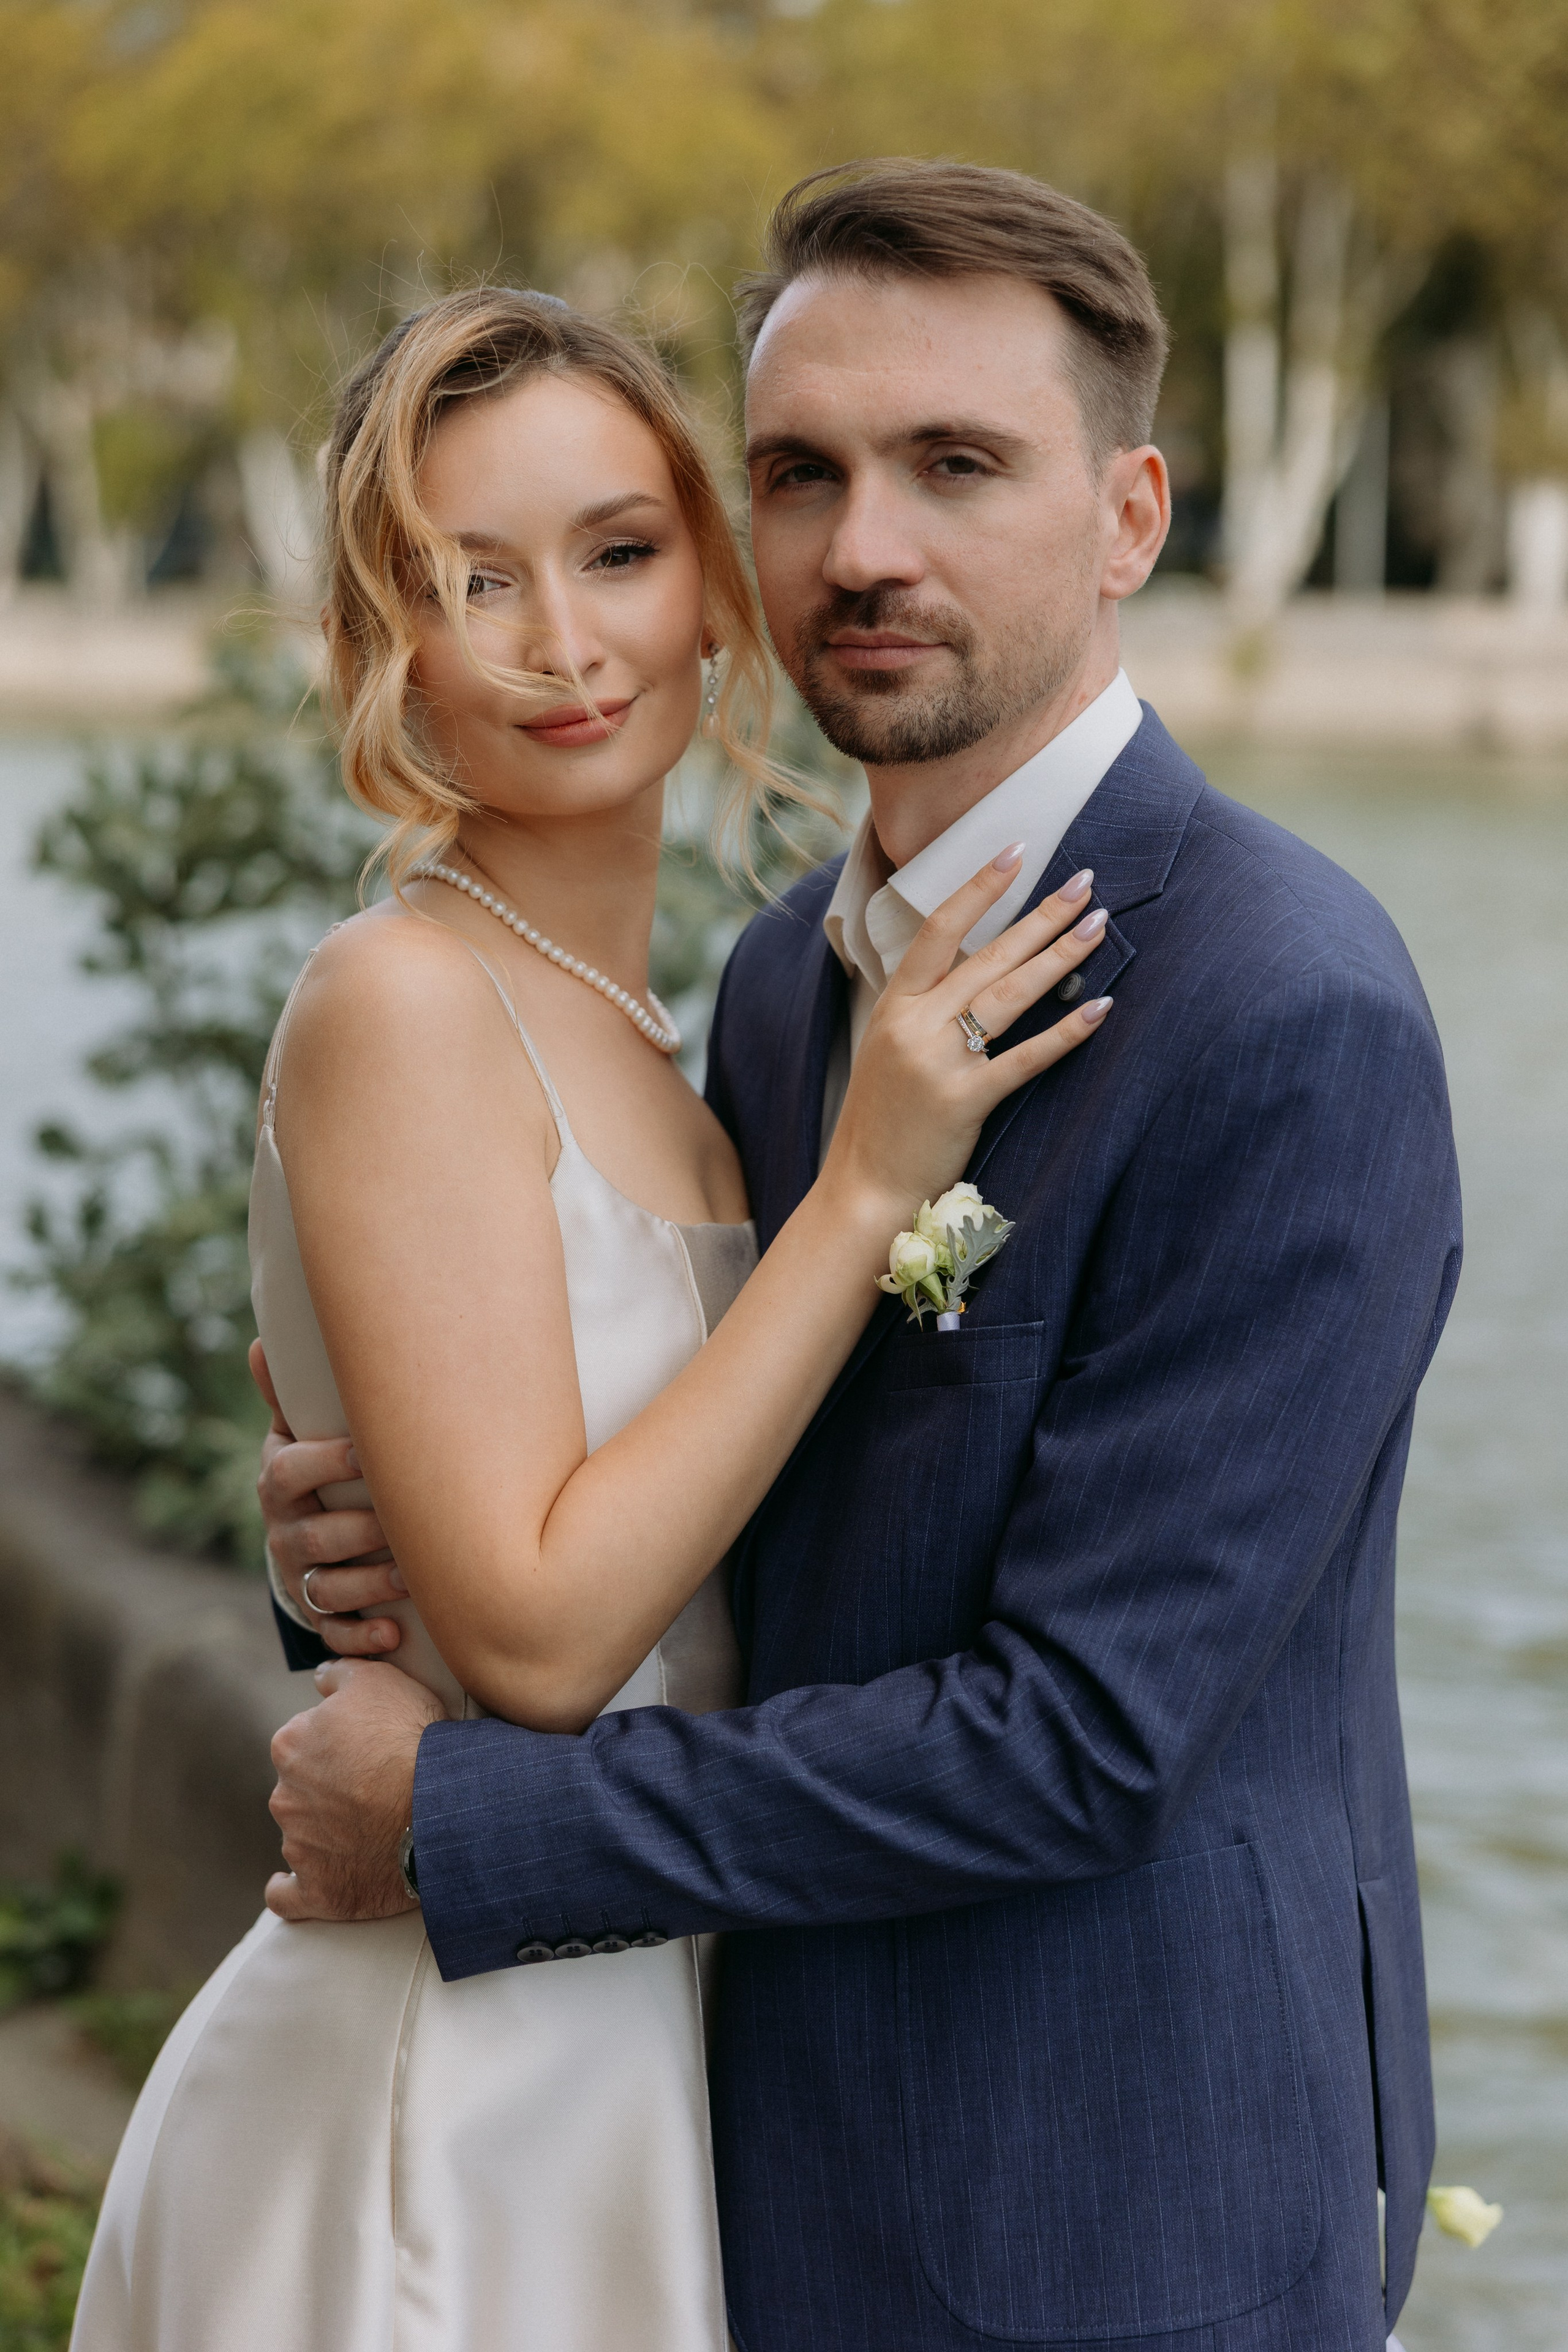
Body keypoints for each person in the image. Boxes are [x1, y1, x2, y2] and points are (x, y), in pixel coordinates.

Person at [257, 165, 1460, 2352]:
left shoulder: (1289, 1009)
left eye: (957, 466)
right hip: (724, 2171)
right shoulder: (772, 995)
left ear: (1129, 517)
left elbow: (1085, 1737)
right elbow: (704, 1506)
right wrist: (378, 1550)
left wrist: (462, 1821)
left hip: (1110, 2229)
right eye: (802, 474)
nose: (864, 547)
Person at [69, 285, 1112, 2352]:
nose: (565, 639)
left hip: (629, 2041)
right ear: (384, 640)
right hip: (442, 2097)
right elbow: (545, 1647)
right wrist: (869, 1196)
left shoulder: (704, 1035)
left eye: (619, 552)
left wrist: (331, 1558)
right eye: (477, 581)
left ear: (714, 585)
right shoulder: (404, 1003)